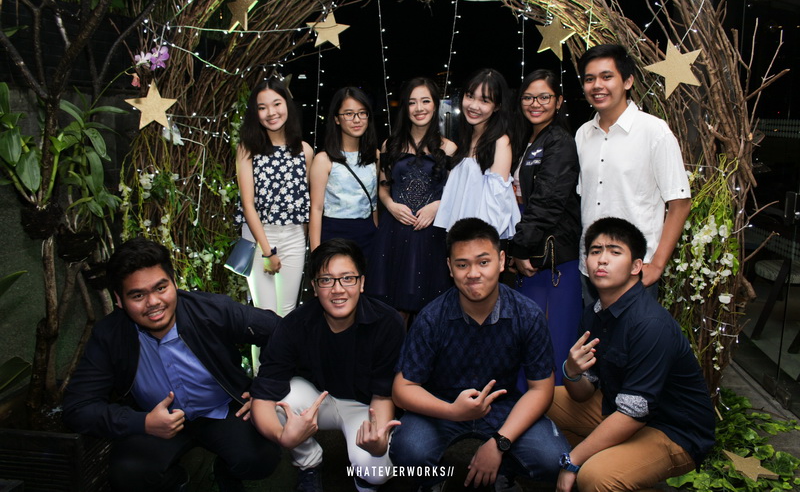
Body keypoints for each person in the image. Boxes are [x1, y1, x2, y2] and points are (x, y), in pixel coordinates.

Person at [63, 238, 281, 492]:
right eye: (138, 295)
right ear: (119, 300)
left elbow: (282, 333)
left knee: (262, 458)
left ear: (174, 283)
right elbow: (78, 408)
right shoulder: (109, 335)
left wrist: (264, 390)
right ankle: (176, 482)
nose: (153, 302)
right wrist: (142, 422)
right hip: (155, 421)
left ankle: (225, 471)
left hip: (222, 410)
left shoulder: (211, 310)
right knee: (127, 473)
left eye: (160, 288)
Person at [390, 217, 570, 490]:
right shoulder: (432, 317)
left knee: (552, 459)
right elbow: (402, 388)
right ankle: (432, 479)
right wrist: (452, 411)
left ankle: (504, 471)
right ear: (450, 267)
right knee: (407, 450)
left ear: (501, 260)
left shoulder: (527, 315)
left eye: (483, 262)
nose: (473, 273)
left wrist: (500, 443)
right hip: (442, 404)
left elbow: (541, 390)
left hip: (502, 406)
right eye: (462, 265)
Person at [548, 217, 715, 492]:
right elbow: (583, 394)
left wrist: (572, 461)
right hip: (617, 408)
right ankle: (611, 466)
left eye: (615, 252)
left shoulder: (650, 323)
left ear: (636, 266)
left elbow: (634, 413)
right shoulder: (593, 314)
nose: (602, 259)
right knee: (543, 400)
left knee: (596, 477)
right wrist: (571, 372)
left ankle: (605, 471)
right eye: (595, 251)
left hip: (673, 430)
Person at [250, 239, 405, 492]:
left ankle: (364, 475)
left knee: (376, 473)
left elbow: (383, 394)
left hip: (364, 406)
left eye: (348, 278)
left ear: (362, 283)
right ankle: (309, 462)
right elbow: (264, 394)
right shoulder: (294, 325)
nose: (338, 289)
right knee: (279, 402)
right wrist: (282, 437)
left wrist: (378, 440)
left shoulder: (387, 323)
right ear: (314, 287)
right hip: (317, 399)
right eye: (326, 280)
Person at [575, 44, 691, 296]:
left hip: (634, 273)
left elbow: (680, 202)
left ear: (628, 81)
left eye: (607, 76)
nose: (597, 85)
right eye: (589, 79)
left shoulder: (654, 131)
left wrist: (657, 265)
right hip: (590, 269)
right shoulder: (583, 134)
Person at [508, 69, 582, 385]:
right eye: (528, 97)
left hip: (552, 256)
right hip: (529, 246)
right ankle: (528, 402)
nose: (535, 103)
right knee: (529, 336)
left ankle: (557, 406)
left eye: (544, 97)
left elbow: (547, 202)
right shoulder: (526, 139)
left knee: (554, 336)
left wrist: (520, 248)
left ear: (559, 101)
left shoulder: (559, 142)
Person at [367, 77, 457, 322]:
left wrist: (438, 206)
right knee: (394, 313)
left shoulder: (449, 148)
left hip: (432, 233)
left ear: (435, 105)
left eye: (425, 101)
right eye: (412, 102)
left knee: (432, 311)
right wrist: (391, 205)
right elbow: (383, 188)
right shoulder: (390, 145)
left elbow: (455, 193)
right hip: (395, 230)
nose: (419, 108)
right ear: (405, 107)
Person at [234, 76, 313, 317]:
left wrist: (306, 240)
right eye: (262, 107)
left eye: (277, 104)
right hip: (259, 237)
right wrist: (267, 252)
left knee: (288, 312)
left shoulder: (305, 151)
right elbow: (248, 204)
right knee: (264, 313)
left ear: (287, 104)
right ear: (255, 113)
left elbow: (307, 203)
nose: (271, 112)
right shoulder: (248, 148)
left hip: (294, 236)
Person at [433, 69, 520, 239]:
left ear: (497, 106)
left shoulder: (500, 142)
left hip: (481, 240)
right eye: (470, 96)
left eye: (484, 100)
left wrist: (478, 243)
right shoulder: (466, 140)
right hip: (460, 237)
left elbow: (497, 206)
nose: (473, 106)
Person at [309, 87, 379, 260]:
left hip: (368, 235)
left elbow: (374, 203)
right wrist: (316, 254)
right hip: (334, 233)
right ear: (337, 119)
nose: (357, 119)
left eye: (362, 113)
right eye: (349, 114)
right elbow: (316, 209)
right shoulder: (323, 159)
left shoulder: (375, 156)